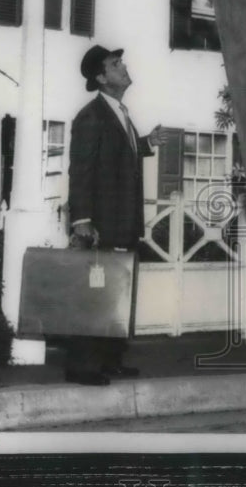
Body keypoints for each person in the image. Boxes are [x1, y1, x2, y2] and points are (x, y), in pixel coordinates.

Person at [65, 44, 163, 385]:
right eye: (116, 64)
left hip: (122, 223)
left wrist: (146, 143)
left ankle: (109, 359)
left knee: (116, 292)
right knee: (94, 293)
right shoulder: (91, 117)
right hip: (100, 225)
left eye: (122, 62)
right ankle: (82, 367)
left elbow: (120, 155)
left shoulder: (120, 113)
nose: (124, 67)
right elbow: (81, 170)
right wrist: (82, 220)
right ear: (101, 77)